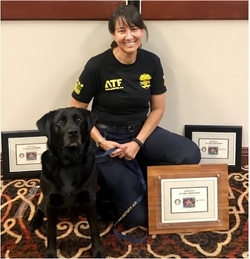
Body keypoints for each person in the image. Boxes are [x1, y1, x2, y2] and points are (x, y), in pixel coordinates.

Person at [71, 4, 201, 229]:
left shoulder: (152, 62)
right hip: (106, 139)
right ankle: (111, 181)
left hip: (140, 132)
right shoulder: (97, 65)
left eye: (134, 29)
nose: (129, 36)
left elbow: (158, 109)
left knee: (190, 153)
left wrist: (138, 142)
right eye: (122, 31)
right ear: (113, 34)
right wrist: (101, 142)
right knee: (136, 219)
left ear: (143, 31)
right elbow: (77, 110)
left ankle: (136, 165)